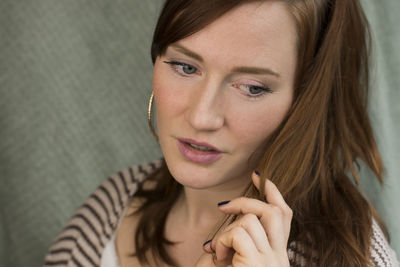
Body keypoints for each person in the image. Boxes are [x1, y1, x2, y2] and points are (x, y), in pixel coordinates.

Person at [44, 0, 399, 266]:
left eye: (252, 87)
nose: (202, 116)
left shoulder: (357, 255)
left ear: (305, 101)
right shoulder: (112, 208)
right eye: (185, 66)